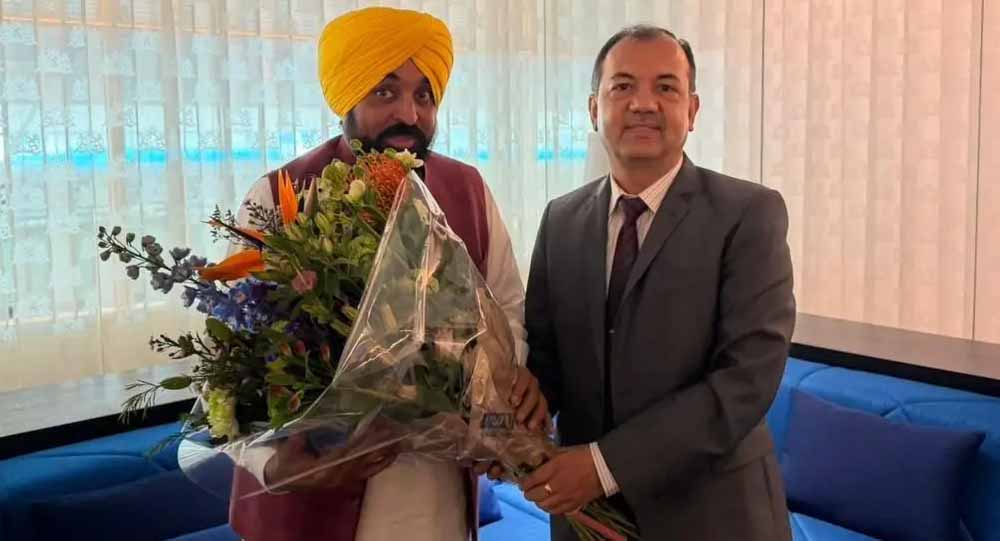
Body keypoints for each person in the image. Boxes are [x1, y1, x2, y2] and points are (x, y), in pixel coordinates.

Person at [228, 7, 547, 541]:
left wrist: (496, 399)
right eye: (385, 92)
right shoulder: (280, 197)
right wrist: (274, 466)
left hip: (437, 501)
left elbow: (508, 312)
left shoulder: (468, 190)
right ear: (346, 98)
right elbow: (232, 361)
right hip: (313, 507)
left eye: (424, 95)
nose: (409, 113)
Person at [519, 24, 795, 540]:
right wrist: (502, 425)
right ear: (594, 109)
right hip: (585, 519)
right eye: (622, 86)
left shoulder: (748, 214)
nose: (643, 103)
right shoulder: (561, 220)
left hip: (713, 515)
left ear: (692, 110)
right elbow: (545, 361)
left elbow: (746, 379)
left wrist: (603, 465)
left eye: (665, 87)